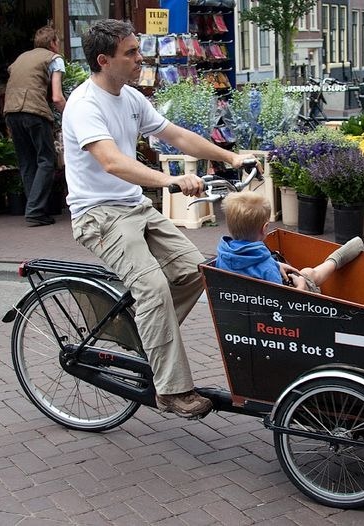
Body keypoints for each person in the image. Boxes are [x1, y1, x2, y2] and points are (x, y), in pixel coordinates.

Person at [61, 19, 255, 419]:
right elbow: (112, 163)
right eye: (130, 53)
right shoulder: (84, 105)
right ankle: (171, 390)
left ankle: (144, 335)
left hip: (133, 207)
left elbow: (177, 135)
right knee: (151, 288)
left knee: (194, 270)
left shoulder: (130, 97)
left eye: (138, 50)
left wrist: (231, 157)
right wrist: (170, 180)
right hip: (98, 214)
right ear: (104, 60)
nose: (140, 58)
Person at [216, 192, 364, 292]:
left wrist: (275, 264)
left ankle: (334, 261)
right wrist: (300, 287)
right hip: (275, 323)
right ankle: (335, 260)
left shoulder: (223, 256)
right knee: (307, 274)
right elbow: (283, 304)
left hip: (243, 309)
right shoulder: (266, 268)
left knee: (305, 273)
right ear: (265, 228)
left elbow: (248, 266)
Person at [4, 25, 66, 227]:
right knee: (46, 161)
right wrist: (72, 114)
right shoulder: (54, 59)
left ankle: (35, 211)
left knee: (27, 162)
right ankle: (35, 210)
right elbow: (56, 97)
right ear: (53, 43)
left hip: (11, 112)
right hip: (34, 112)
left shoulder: (20, 58)